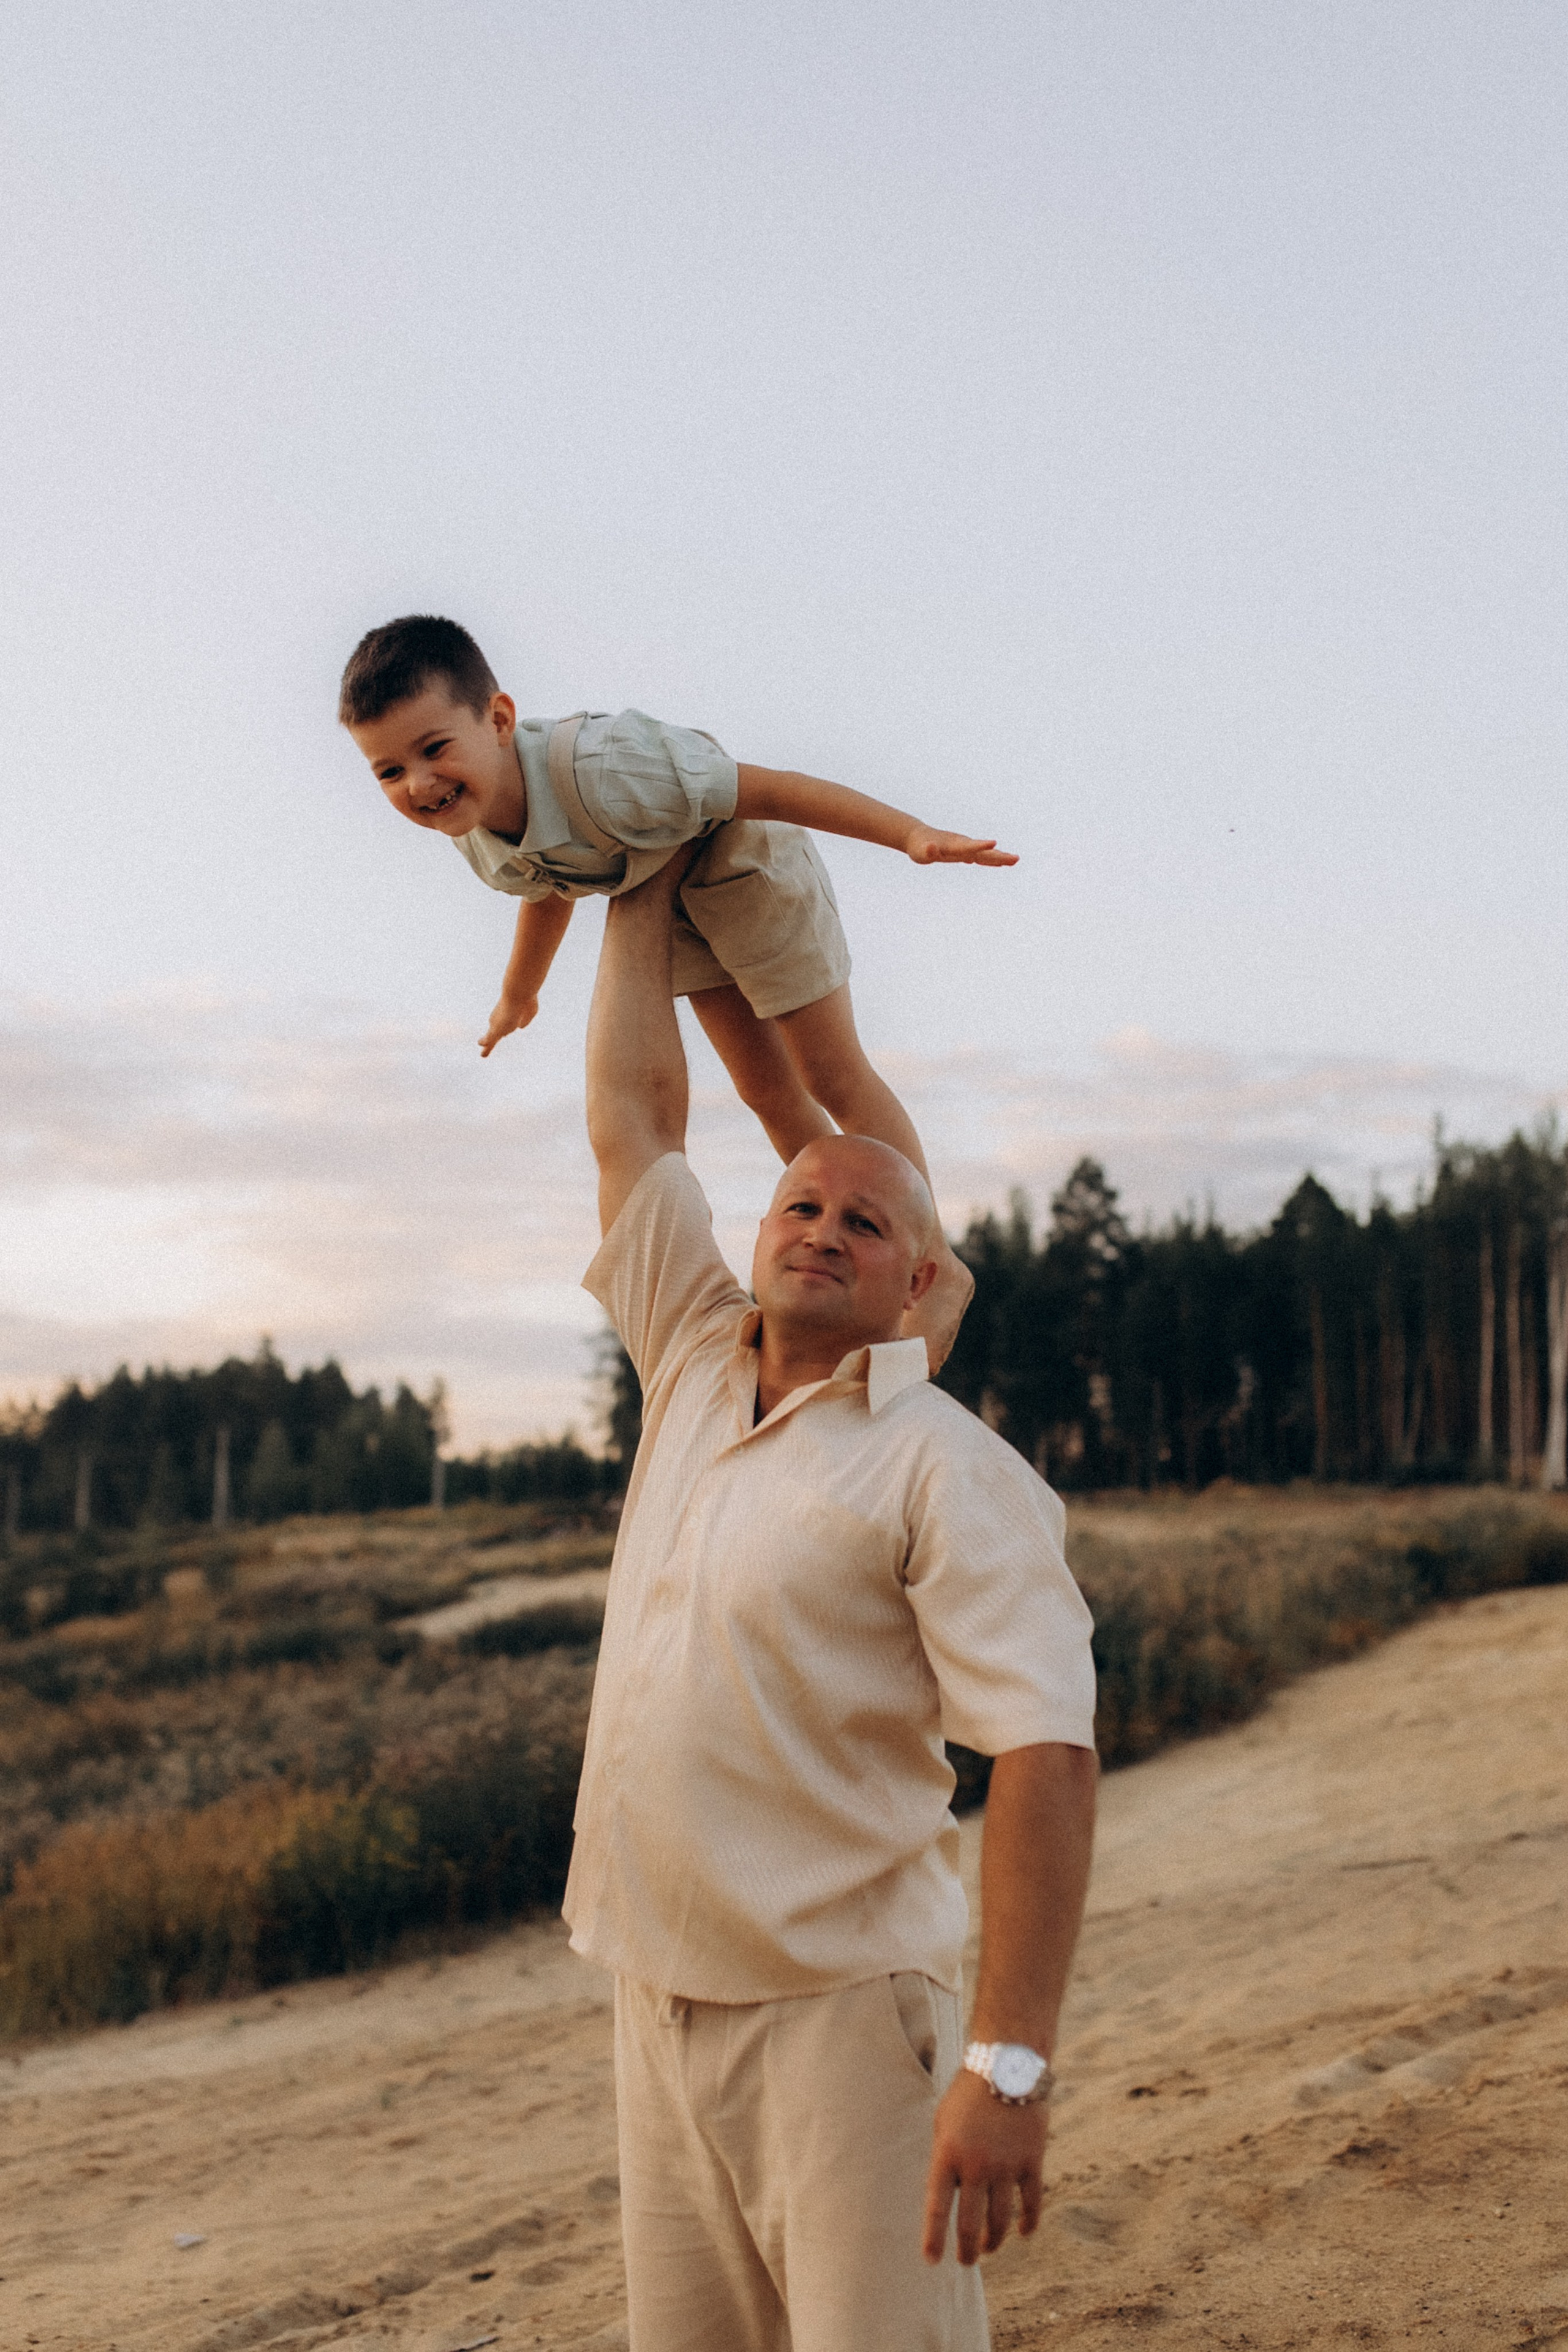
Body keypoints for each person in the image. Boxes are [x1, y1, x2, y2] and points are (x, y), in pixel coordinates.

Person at [568, 846, 1099, 2352]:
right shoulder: (685, 1359)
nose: (818, 1226)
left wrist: (1004, 2063)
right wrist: (629, 884)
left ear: (918, 1279)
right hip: (652, 1998)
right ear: (753, 1234)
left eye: (862, 1224)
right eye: (798, 1200)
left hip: (841, 2028)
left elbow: (1045, 1753)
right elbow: (632, 1119)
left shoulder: (944, 1466)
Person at [338, 612, 1015, 1364]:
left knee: (831, 1072)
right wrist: (518, 994)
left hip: (747, 863)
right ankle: (861, 1250)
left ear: (498, 719)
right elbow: (551, 882)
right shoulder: (476, 835)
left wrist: (908, 835)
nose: (420, 783)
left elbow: (773, 790)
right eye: (389, 771)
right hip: (679, 899)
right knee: (766, 1090)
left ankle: (934, 1263)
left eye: (434, 749)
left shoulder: (611, 770)